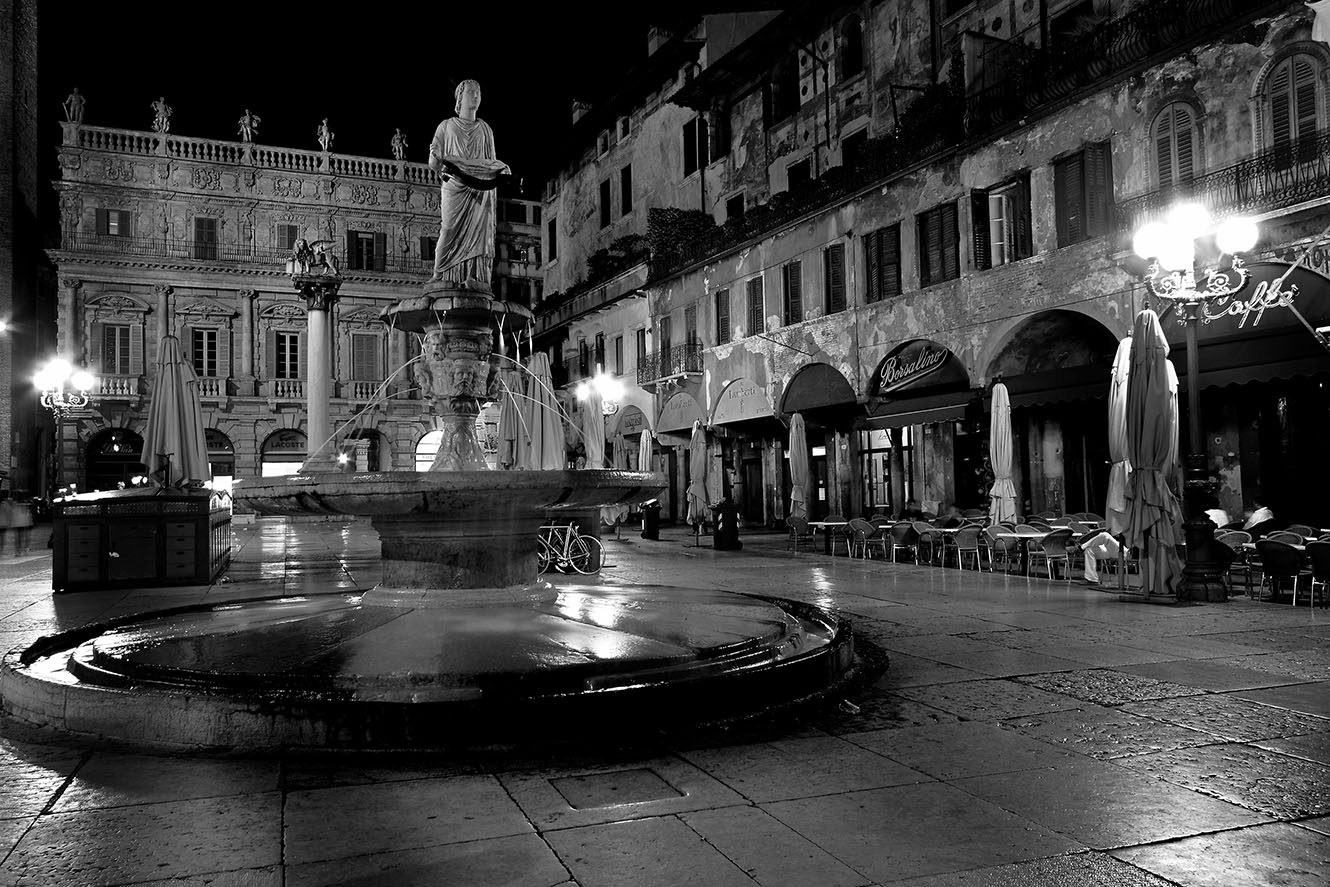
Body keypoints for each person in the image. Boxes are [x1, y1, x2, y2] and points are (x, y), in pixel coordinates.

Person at [427, 79, 510, 287]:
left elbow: (489, 163)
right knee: (448, 229)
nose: (475, 96)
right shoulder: (446, 126)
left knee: (480, 235)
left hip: (481, 191)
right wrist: (435, 156)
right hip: (455, 185)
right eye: (471, 92)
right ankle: (440, 274)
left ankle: (475, 277)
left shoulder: (485, 129)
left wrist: (501, 168)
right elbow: (434, 163)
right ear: (460, 97)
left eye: (478, 93)